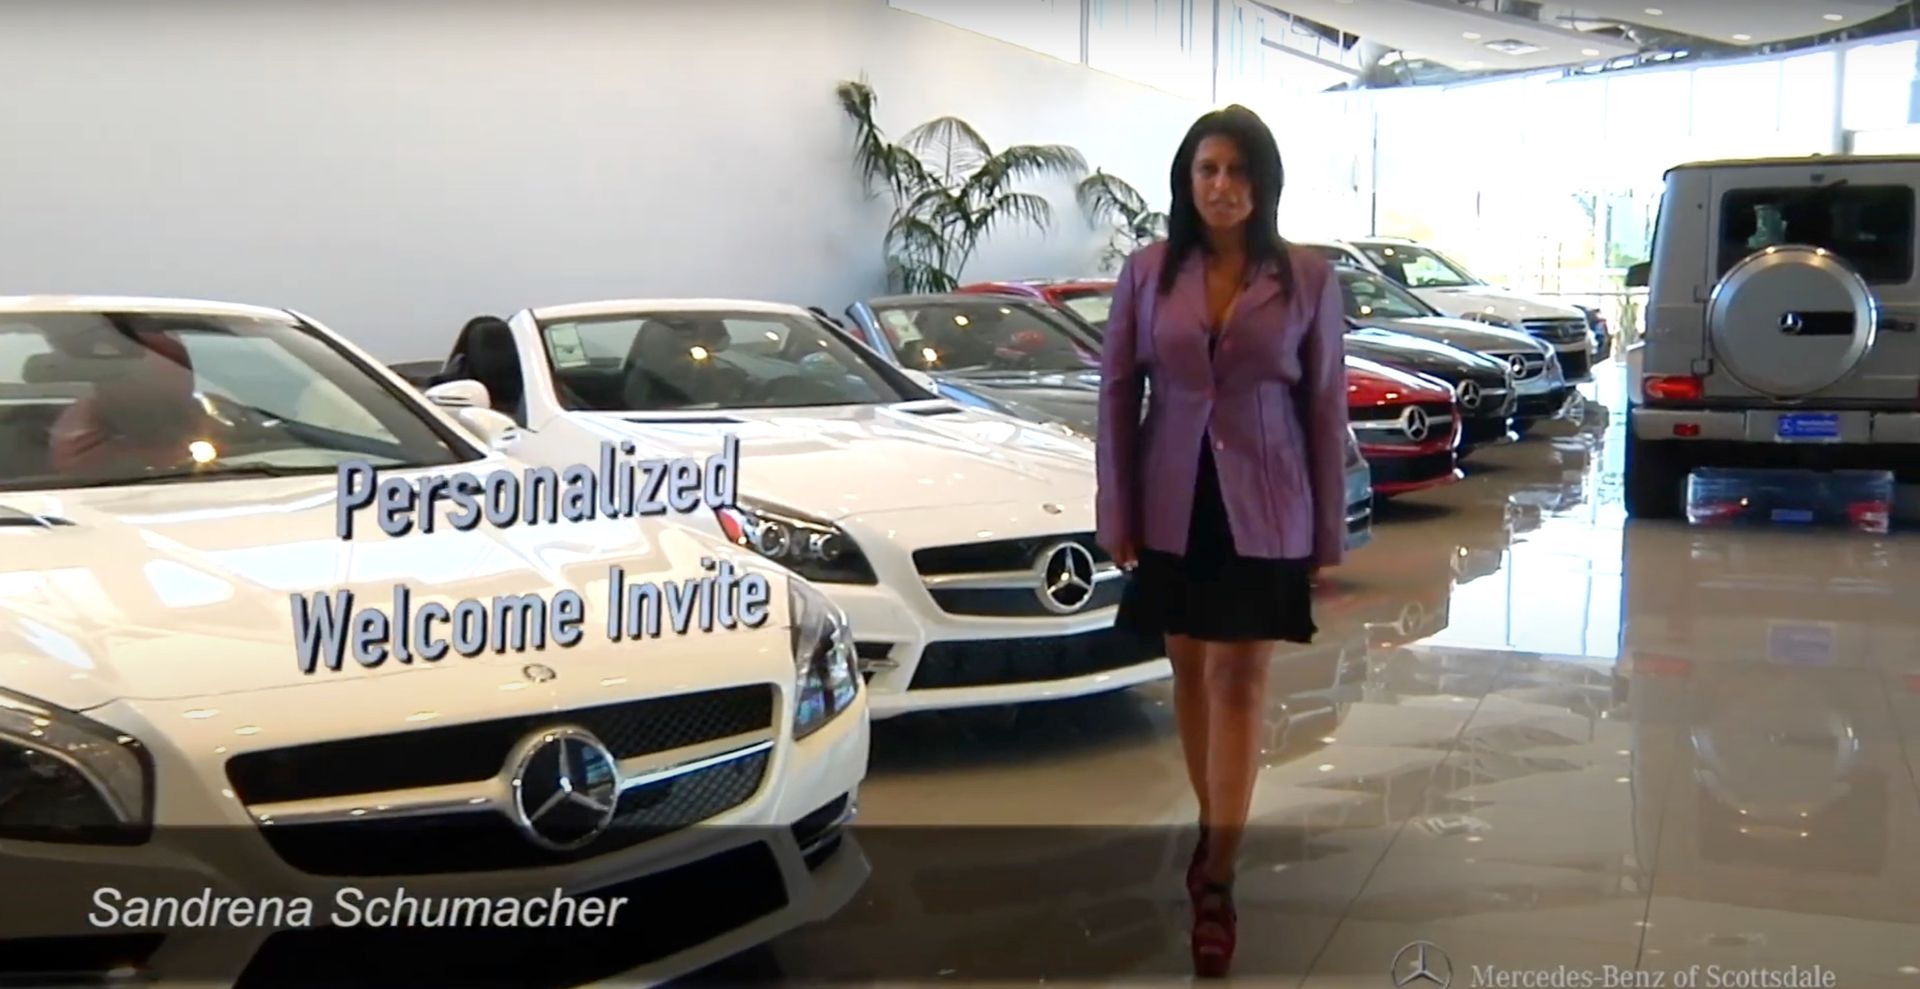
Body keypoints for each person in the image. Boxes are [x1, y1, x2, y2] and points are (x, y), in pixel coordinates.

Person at [1094, 105, 1350, 979]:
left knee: (1241, 676)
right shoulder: (1147, 273)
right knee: (1189, 669)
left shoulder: (1307, 278)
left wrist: (1326, 529)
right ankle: (1215, 831)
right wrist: (1116, 512)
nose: (1223, 187)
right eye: (1208, 170)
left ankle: (1219, 877)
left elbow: (1323, 406)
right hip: (1174, 498)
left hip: (1267, 499)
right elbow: (1117, 396)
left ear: (1264, 183)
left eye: (1239, 171)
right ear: (1187, 179)